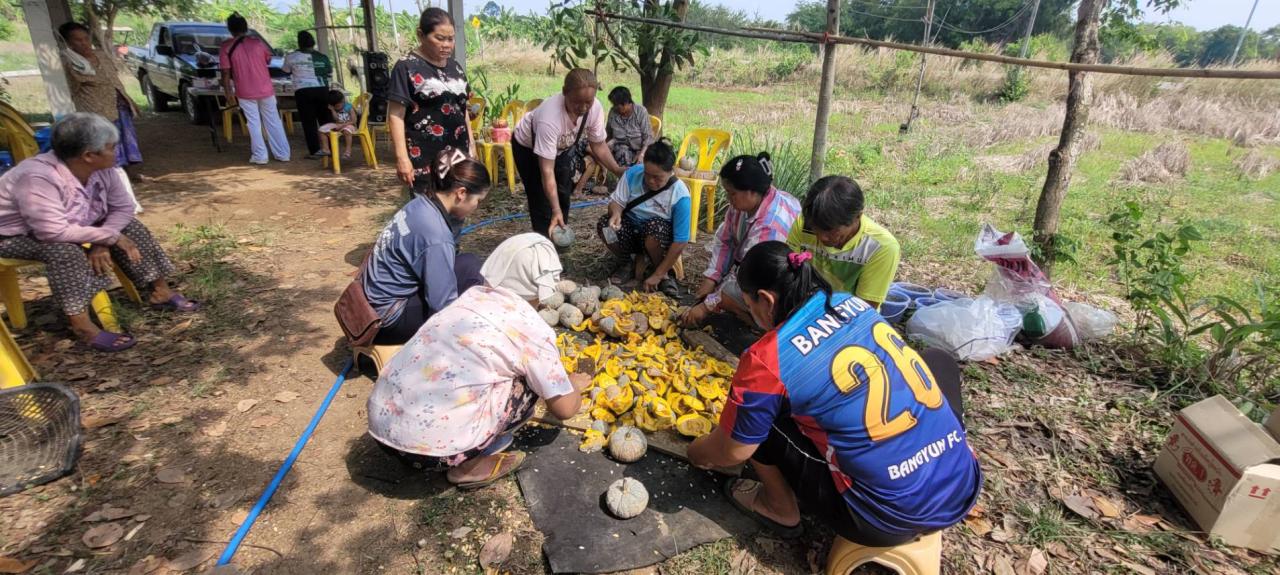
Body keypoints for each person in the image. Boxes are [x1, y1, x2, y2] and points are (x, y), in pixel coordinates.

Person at [686, 241, 981, 545]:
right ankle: (942, 447)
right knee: (937, 360)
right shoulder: (850, 303)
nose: (751, 311)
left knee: (762, 419)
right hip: (963, 484)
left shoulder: (766, 358)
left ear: (766, 299)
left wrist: (697, 453)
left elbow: (732, 452)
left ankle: (779, 508)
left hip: (885, 519)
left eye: (749, 304)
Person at [367, 233, 590, 489]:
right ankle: (468, 467)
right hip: (432, 453)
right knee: (529, 384)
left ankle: (462, 439)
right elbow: (564, 409)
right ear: (542, 289)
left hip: (381, 429)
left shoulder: (469, 297)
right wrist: (573, 386)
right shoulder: (532, 330)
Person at [0, 113, 199, 352]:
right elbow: (51, 231)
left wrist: (103, 240)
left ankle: (160, 290)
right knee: (64, 252)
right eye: (111, 148)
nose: (116, 152)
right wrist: (109, 236)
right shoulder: (37, 176)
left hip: (77, 225)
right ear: (88, 155)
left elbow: (123, 207)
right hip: (13, 236)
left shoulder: (103, 168)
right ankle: (82, 326)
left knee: (130, 226)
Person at [362, 148, 489, 345]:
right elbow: (442, 305)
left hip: (370, 302)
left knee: (468, 262)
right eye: (478, 201)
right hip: (384, 322)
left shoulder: (420, 204)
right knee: (472, 275)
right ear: (461, 193)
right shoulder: (436, 235)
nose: (476, 207)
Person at [680, 153, 800, 327]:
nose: (729, 199)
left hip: (776, 279)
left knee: (728, 294)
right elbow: (725, 240)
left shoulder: (770, 227)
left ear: (751, 191)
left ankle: (764, 325)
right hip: (753, 264)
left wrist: (707, 306)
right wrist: (712, 278)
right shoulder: (743, 203)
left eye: (732, 193)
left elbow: (747, 272)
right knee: (719, 290)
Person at [513, 68, 625, 237]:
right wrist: (554, 209)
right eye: (577, 102)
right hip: (527, 149)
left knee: (564, 192)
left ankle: (560, 232)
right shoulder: (550, 118)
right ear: (565, 92)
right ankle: (545, 244)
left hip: (561, 148)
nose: (583, 108)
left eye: (588, 102)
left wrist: (617, 170)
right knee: (541, 199)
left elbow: (599, 145)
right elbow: (547, 170)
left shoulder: (594, 109)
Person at [387, 8, 474, 196]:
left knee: (457, 208)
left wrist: (472, 148)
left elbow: (463, 110)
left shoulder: (455, 67)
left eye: (450, 39)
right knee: (428, 213)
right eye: (439, 38)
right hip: (425, 158)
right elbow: (395, 115)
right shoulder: (406, 67)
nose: (447, 45)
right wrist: (402, 158)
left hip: (458, 156)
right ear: (421, 35)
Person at [786, 176, 899, 310]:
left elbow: (865, 310)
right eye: (816, 228)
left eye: (831, 231)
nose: (822, 237)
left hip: (851, 317)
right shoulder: (804, 224)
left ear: (857, 217)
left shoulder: (881, 247)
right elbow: (789, 274)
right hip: (807, 307)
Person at [595, 138, 689, 297]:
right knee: (605, 227)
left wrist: (659, 274)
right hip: (630, 233)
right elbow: (616, 202)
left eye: (658, 177)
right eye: (647, 175)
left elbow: (681, 240)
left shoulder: (680, 195)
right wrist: (616, 213)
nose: (651, 181)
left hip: (658, 240)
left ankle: (660, 271)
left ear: (670, 171)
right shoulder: (632, 173)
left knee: (654, 228)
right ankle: (626, 261)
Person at [58, 22, 143, 180]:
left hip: (119, 103)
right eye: (78, 40)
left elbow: (115, 79)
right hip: (96, 108)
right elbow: (75, 86)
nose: (84, 43)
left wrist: (129, 99)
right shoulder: (71, 62)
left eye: (85, 38)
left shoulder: (101, 55)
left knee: (125, 139)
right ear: (69, 43)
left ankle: (128, 173)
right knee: (104, 143)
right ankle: (112, 176)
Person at [219, 12, 290, 165]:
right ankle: (283, 153)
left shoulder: (225, 46)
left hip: (244, 91)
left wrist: (227, 91)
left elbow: (225, 72)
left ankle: (260, 156)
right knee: (273, 121)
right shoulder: (258, 43)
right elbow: (268, 59)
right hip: (265, 88)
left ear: (230, 29)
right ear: (246, 27)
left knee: (253, 123)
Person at [574, 86, 653, 196]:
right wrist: (602, 151)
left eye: (617, 105)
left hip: (639, 149)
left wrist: (642, 154)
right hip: (619, 146)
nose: (614, 107)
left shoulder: (640, 111)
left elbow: (648, 137)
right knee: (621, 151)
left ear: (625, 103)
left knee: (633, 159)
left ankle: (632, 189)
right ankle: (622, 187)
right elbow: (607, 134)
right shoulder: (613, 112)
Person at [282, 30, 334, 159]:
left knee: (308, 121)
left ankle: (316, 151)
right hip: (322, 90)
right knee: (325, 120)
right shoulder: (322, 57)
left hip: (303, 91)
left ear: (299, 43)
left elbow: (286, 71)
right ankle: (331, 149)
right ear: (313, 42)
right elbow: (329, 72)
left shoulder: (291, 56)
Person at [319, 90, 356, 160]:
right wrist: (333, 110)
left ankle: (347, 152)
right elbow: (336, 119)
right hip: (337, 125)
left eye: (338, 105)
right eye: (335, 106)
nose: (337, 108)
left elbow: (353, 121)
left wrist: (343, 125)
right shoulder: (333, 108)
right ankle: (326, 149)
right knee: (321, 130)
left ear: (343, 101)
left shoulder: (349, 107)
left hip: (349, 125)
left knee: (346, 131)